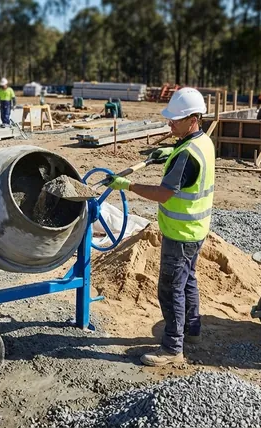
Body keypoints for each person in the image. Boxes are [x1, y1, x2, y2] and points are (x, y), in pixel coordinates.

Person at [106, 88, 215, 367]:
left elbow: (165, 193)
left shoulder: (187, 154)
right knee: (188, 280)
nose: (170, 124)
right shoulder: (202, 142)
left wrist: (127, 185)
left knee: (170, 290)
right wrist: (170, 150)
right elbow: (186, 156)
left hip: (180, 234)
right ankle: (192, 329)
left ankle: (171, 349)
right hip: (196, 230)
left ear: (193, 118)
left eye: (175, 120)